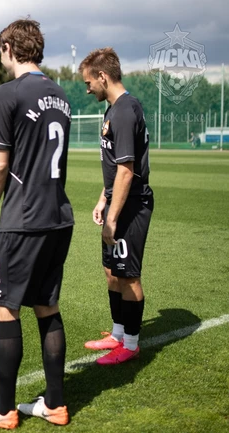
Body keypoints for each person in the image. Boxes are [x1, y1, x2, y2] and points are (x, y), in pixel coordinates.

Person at [0, 19, 73, 429]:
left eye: (0, 49)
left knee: (5, 308)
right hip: (59, 217)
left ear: (9, 47)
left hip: (23, 219)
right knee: (47, 306)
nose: (0, 56)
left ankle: (4, 409)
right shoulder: (61, 94)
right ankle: (55, 404)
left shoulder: (6, 93)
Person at [79, 47, 154, 365]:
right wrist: (103, 198)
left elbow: (126, 170)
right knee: (112, 271)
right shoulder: (113, 109)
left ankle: (131, 344)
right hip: (117, 201)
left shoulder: (124, 110)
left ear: (102, 76)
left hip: (132, 204)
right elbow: (113, 167)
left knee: (128, 276)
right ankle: (118, 334)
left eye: (88, 82)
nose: (87, 89)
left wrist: (112, 217)